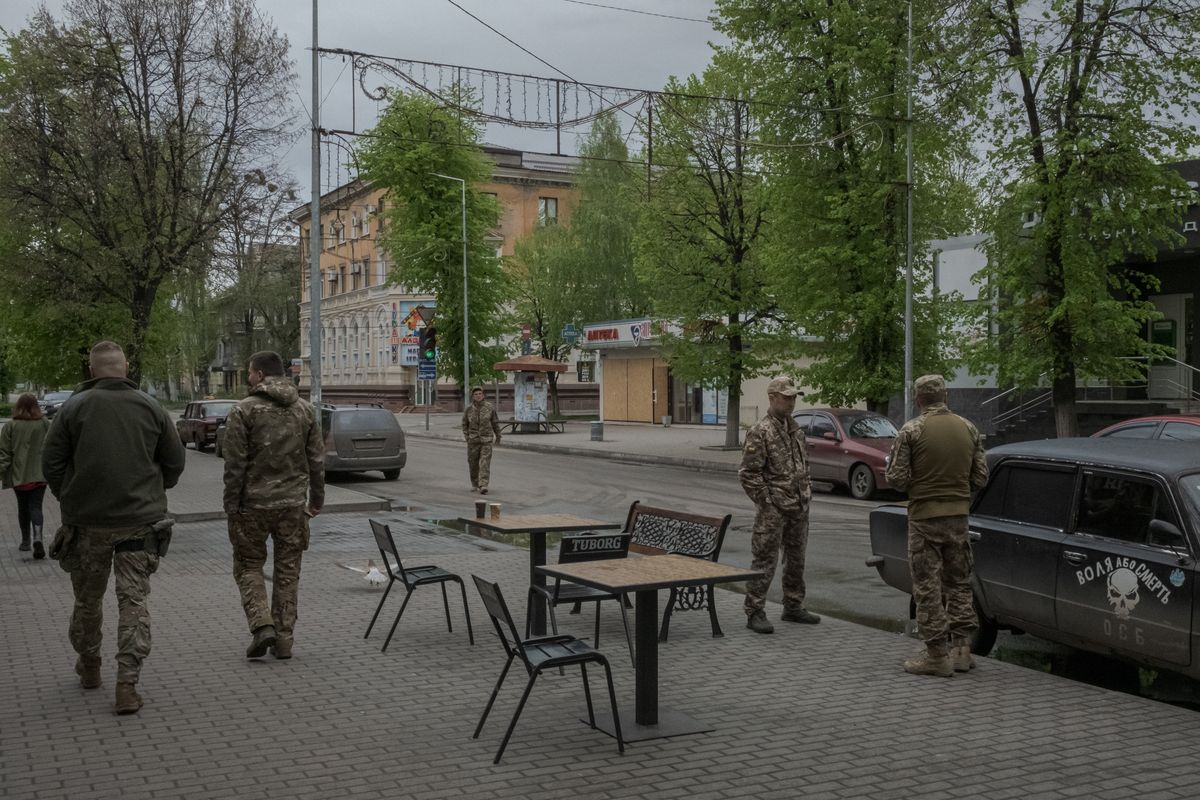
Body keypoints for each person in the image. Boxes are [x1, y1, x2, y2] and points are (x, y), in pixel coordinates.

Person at [41, 341, 187, 714]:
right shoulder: (150, 406)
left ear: (92, 371)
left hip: (86, 524)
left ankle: (90, 667)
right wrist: (154, 491)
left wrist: (69, 496)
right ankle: (127, 684)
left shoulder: (72, 408)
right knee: (133, 602)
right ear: (124, 367)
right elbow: (174, 460)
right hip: (139, 523)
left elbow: (51, 463)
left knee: (87, 601)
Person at [222, 350, 324, 661]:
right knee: (288, 572)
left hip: (252, 506)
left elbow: (234, 465)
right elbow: (317, 461)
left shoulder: (243, 411)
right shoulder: (305, 411)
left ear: (261, 375)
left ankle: (261, 623)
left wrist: (231, 505)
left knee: (248, 566)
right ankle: (284, 640)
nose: (249, 378)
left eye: (250, 373)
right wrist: (316, 501)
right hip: (293, 506)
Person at [885, 374, 988, 677]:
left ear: (918, 399)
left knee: (927, 587)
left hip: (925, 519)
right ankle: (962, 651)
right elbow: (981, 478)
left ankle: (936, 656)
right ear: (946, 396)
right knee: (959, 583)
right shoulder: (968, 428)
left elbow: (896, 479)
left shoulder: (912, 430)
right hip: (959, 517)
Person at [739, 376, 820, 634]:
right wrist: (768, 502)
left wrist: (806, 491)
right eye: (787, 397)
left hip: (798, 505)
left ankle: (793, 605)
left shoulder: (795, 430)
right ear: (772, 397)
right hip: (773, 509)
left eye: (794, 397)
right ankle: (755, 610)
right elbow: (749, 474)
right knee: (764, 560)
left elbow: (803, 466)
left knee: (796, 559)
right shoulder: (760, 431)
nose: (792, 401)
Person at [0, 394, 52, 557]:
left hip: (19, 475)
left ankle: (25, 541)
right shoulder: (44, 423)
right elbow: (53, 445)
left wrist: (2, 471)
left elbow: (4, 453)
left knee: (23, 508)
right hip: (40, 474)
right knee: (36, 507)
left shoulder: (11, 426)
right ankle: (38, 537)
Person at [462, 386, 502, 494]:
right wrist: (467, 437)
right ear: (473, 397)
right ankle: (475, 484)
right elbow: (464, 424)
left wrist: (498, 436)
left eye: (480, 394)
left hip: (486, 440)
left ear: (483, 395)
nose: (478, 396)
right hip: (473, 440)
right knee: (473, 463)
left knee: (485, 463)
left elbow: (495, 423)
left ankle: (483, 485)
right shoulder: (468, 409)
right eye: (476, 394)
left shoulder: (489, 407)